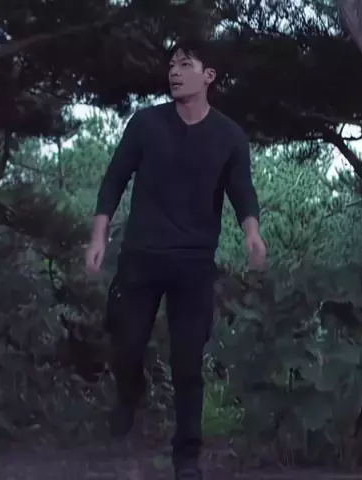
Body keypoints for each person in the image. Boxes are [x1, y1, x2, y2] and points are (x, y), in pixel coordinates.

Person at [85, 38, 266, 480]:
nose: (174, 72)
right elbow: (114, 179)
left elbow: (242, 190)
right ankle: (131, 391)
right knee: (125, 345)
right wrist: (98, 236)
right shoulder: (146, 124)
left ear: (208, 77)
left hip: (193, 264)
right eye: (171, 65)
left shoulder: (228, 135)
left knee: (187, 364)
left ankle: (187, 457)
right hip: (140, 256)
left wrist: (252, 233)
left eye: (185, 65)